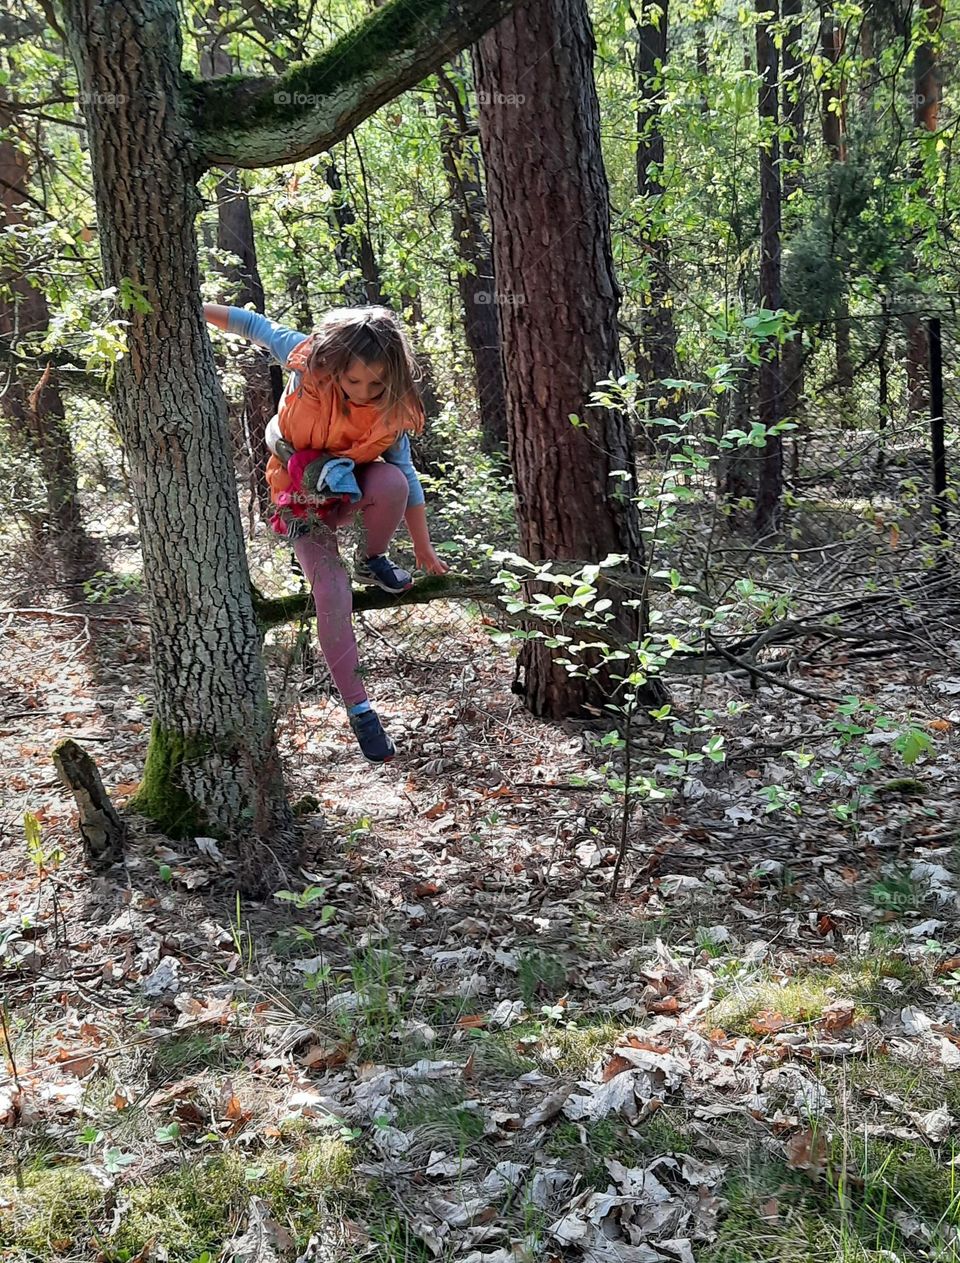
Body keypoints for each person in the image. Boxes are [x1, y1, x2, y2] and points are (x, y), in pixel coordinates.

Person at [203, 302, 449, 764]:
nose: (363, 391)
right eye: (354, 380)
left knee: (392, 480)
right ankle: (360, 710)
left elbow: (407, 479)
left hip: (354, 488)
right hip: (302, 499)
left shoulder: (392, 408)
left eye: (376, 383)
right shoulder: (306, 358)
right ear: (334, 365)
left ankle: (372, 558)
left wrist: (422, 546)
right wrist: (195, 309)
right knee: (333, 595)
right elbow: (253, 325)